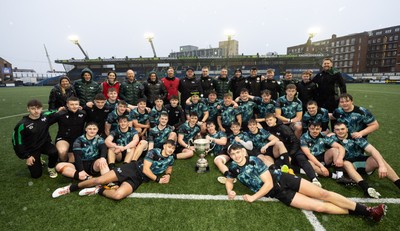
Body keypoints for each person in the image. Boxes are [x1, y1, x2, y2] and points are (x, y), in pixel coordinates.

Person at [223, 144, 387, 223]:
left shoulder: (253, 161)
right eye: (233, 154)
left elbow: (267, 184)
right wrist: (229, 190)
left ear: (244, 151)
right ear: (230, 156)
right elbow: (229, 180)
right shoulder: (233, 168)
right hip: (280, 194)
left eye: (239, 152)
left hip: (282, 179)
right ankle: (369, 213)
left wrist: (253, 197)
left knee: (324, 194)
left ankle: (368, 210)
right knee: (319, 207)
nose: (237, 156)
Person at [52, 140, 177, 201]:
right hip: (131, 169)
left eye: (173, 148)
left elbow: (170, 166)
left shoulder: (170, 158)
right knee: (99, 179)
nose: (170, 150)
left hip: (139, 179)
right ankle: (69, 188)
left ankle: (100, 190)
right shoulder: (153, 152)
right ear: (164, 146)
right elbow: (146, 169)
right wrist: (159, 179)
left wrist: (169, 175)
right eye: (169, 147)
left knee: (118, 195)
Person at [332, 122, 400, 197]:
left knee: (377, 159)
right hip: (347, 164)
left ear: (347, 129)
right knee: (346, 163)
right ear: (334, 131)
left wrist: (382, 166)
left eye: (342, 129)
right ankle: (366, 188)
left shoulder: (355, 137)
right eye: (337, 129)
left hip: (361, 161)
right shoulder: (332, 139)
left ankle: (398, 183)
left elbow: (372, 150)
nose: (340, 131)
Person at [300, 121, 358, 186]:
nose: (315, 131)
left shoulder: (323, 136)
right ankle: (334, 176)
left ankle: (340, 176)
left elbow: (340, 147)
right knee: (310, 164)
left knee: (334, 150)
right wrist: (321, 166)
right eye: (312, 129)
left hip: (323, 157)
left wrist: (340, 158)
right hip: (312, 159)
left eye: (317, 129)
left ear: (321, 129)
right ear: (309, 128)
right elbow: (308, 154)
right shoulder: (304, 138)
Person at [12, 99, 58, 178]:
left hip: (44, 144)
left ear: (41, 108)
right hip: (32, 149)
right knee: (36, 175)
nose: (36, 111)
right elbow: (17, 142)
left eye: (38, 108)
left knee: (54, 152)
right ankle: (38, 159)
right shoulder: (22, 124)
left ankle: (51, 168)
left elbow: (56, 112)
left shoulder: (45, 116)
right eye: (33, 108)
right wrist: (27, 156)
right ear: (28, 109)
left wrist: (63, 109)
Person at [51, 97, 87, 162]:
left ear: (79, 105)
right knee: (62, 152)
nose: (74, 106)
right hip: (63, 138)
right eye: (72, 104)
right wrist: (56, 112)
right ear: (67, 105)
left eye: (76, 104)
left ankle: (69, 158)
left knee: (73, 161)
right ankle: (62, 160)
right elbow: (46, 121)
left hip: (77, 139)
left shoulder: (83, 113)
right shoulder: (61, 114)